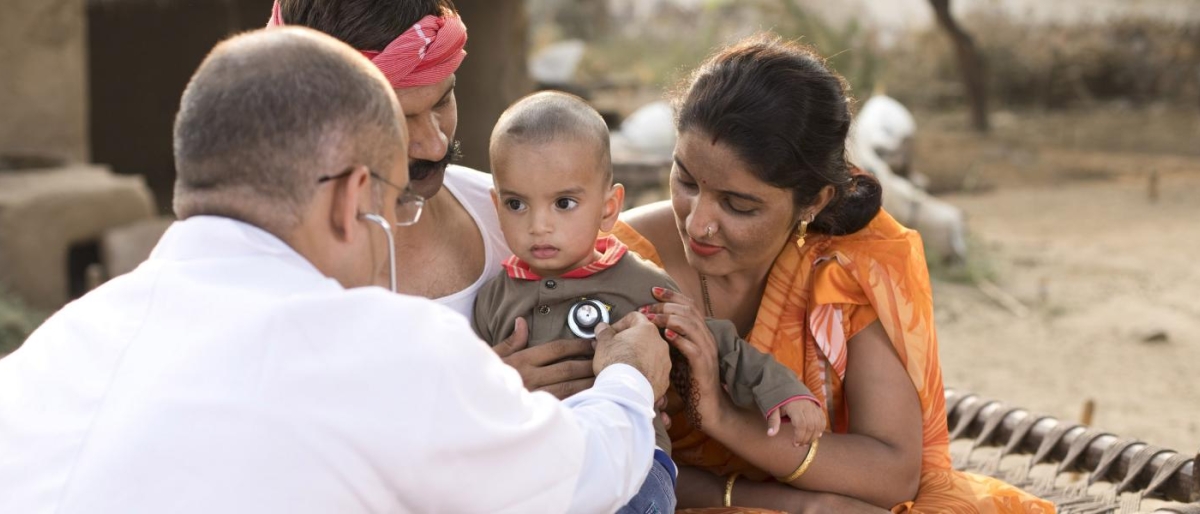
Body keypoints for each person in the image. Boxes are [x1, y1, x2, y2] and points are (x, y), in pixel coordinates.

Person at [0, 27, 672, 513]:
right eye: (390, 202)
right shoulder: (377, 345)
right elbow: (578, 477)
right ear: (353, 198)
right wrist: (626, 380)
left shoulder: (49, 352)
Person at [605, 35, 1056, 513]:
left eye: (739, 205)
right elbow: (591, 457)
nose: (698, 222)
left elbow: (893, 472)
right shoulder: (617, 262)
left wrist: (724, 420)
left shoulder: (845, 266)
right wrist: (788, 504)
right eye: (686, 181)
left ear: (815, 201)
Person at [473, 91, 828, 514]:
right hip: (536, 470)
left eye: (564, 203)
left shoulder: (640, 284)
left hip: (635, 472)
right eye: (516, 204)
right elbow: (470, 391)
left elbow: (714, 340)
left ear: (608, 209)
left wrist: (782, 392)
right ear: (497, 206)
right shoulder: (493, 297)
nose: (539, 226)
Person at [272, 0, 600, 399]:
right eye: (401, 119)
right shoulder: (271, 264)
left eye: (443, 101)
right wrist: (479, 399)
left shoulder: (512, 215)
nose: (435, 143)